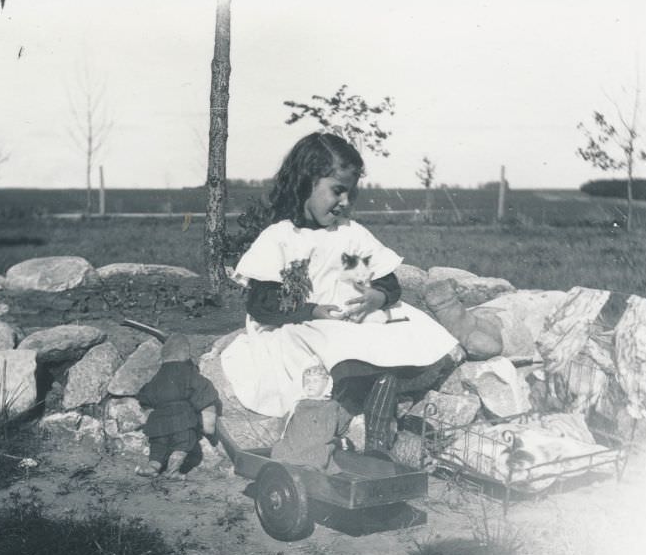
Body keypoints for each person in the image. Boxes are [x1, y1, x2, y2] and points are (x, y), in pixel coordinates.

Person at [221, 132, 462, 458]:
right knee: (338, 343)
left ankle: (379, 435)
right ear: (306, 183)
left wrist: (376, 297)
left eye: (350, 193)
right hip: (300, 322)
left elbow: (383, 281)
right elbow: (262, 303)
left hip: (345, 318)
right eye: (337, 191)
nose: (345, 202)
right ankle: (349, 404)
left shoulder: (348, 235)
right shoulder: (280, 238)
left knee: (395, 330)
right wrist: (310, 310)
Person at [135, 333, 219, 478]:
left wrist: (150, 417)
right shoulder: (189, 375)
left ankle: (152, 467)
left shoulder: (157, 378)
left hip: (158, 422)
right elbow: (204, 393)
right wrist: (208, 424)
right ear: (186, 355)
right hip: (182, 420)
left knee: (158, 447)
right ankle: (172, 472)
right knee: (183, 444)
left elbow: (145, 396)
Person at [270, 364, 352, 471]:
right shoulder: (298, 404)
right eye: (307, 381)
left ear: (326, 384)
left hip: (316, 447)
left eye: (315, 381)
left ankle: (306, 465)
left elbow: (341, 426)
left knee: (315, 458)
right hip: (294, 444)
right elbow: (286, 427)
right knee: (280, 450)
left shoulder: (331, 406)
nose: (310, 384)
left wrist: (342, 436)